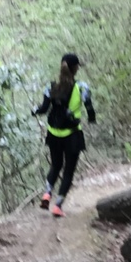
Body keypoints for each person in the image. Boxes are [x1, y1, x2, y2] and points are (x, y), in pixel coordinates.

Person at [32, 52, 96, 217]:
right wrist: (91, 119)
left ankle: (47, 193)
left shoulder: (51, 87)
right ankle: (58, 206)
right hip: (72, 135)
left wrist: (35, 111)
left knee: (56, 165)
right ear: (75, 68)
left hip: (53, 134)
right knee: (68, 170)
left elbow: (43, 108)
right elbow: (89, 108)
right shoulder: (81, 87)